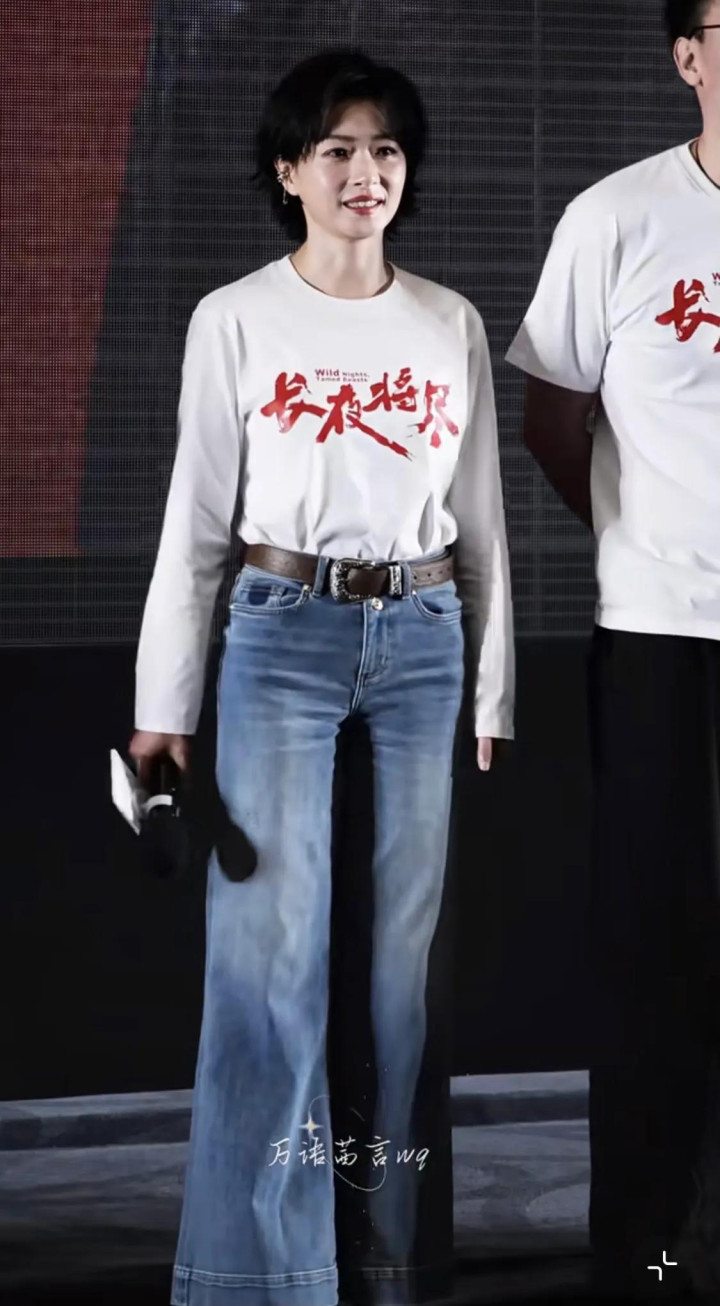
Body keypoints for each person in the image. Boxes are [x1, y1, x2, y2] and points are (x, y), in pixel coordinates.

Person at [128, 48, 514, 1306]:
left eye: (386, 148)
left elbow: (481, 520)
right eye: (338, 149)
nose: (365, 171)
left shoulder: (449, 323)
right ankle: (262, 1277)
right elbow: (196, 524)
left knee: (401, 980)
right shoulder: (236, 319)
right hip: (280, 634)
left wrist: (492, 685)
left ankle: (390, 1265)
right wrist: (162, 711)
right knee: (269, 962)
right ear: (289, 170)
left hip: (424, 637)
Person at [505, 0, 720, 1297]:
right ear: (690, 56)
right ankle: (647, 1252)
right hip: (662, 637)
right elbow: (551, 420)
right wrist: (638, 537)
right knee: (657, 949)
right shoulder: (618, 217)